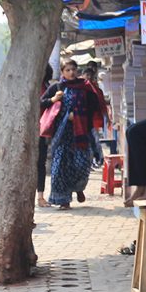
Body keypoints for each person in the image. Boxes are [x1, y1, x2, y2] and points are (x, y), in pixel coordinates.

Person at [40, 60, 104, 210]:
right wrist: (54, 99)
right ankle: (63, 200)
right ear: (62, 72)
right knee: (59, 168)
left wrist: (81, 116)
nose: (71, 72)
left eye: (73, 69)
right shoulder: (57, 88)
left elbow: (95, 106)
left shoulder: (85, 87)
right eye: (67, 70)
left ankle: (78, 188)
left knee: (81, 165)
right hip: (62, 136)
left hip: (81, 134)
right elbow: (41, 102)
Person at [36, 64, 53, 208]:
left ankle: (40, 196)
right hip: (29, 129)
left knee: (40, 164)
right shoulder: (31, 85)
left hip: (41, 130)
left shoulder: (47, 86)